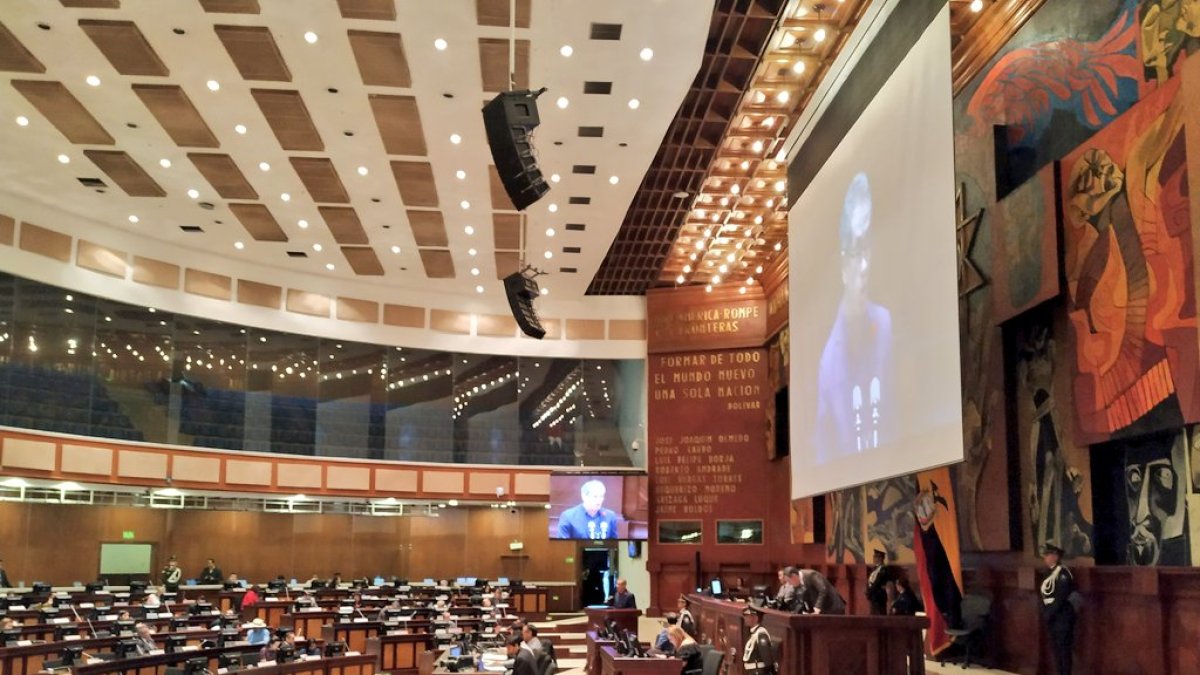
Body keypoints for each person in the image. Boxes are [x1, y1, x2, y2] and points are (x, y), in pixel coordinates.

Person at [815, 171, 892, 464]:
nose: (864, 266)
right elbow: (823, 454)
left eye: (867, 249)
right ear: (843, 265)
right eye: (857, 251)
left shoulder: (885, 324)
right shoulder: (828, 363)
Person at [1040, 544, 1077, 675]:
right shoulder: (1047, 573)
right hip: (1052, 617)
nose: (1045, 558)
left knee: (1064, 650)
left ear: (1055, 556)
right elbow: (1045, 595)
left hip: (1062, 616)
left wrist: (1049, 613)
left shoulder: (1063, 573)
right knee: (1055, 650)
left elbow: (1061, 597)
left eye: (1048, 555)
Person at [556, 480, 621, 539]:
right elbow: (563, 544)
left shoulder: (610, 516)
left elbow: (615, 543)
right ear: (584, 496)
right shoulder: (568, 516)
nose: (599, 500)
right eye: (595, 496)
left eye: (601, 496)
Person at [740, 606, 775, 675]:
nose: (745, 618)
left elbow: (767, 658)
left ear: (755, 618)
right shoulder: (753, 633)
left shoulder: (761, 634)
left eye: (747, 616)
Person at [865, 549, 894, 616]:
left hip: (879, 595)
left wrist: (870, 591)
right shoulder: (875, 569)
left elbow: (878, 582)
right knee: (873, 613)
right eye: (874, 556)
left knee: (880, 613)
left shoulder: (883, 569)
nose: (874, 559)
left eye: (875, 557)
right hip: (873, 595)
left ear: (880, 558)